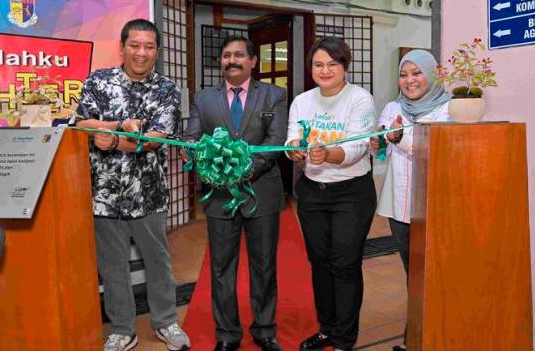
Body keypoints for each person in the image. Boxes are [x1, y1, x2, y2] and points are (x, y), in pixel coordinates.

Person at [76, 18, 191, 351]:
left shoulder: (167, 89)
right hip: (103, 195)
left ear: (157, 50)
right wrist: (117, 125)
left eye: (149, 46)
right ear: (123, 47)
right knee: (112, 267)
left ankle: (166, 323)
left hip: (149, 194)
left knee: (159, 262)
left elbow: (155, 140)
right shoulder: (98, 81)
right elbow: (82, 123)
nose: (142, 53)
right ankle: (122, 329)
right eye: (135, 45)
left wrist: (111, 141)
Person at [185, 36, 287, 351]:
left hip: (262, 192)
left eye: (240, 55)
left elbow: (276, 139)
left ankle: (265, 330)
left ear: (253, 61)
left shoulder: (275, 95)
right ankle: (227, 334)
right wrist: (214, 169)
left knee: (264, 265)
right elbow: (192, 140)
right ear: (221, 61)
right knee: (221, 267)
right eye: (227, 55)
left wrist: (242, 170)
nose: (233, 60)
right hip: (219, 197)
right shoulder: (204, 99)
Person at [286, 37, 377, 351]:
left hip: (351, 193)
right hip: (312, 193)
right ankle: (327, 328)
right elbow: (292, 139)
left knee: (345, 264)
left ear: (344, 66)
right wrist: (295, 151)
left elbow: (358, 145)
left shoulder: (360, 99)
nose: (325, 70)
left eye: (332, 64)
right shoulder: (302, 101)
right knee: (320, 263)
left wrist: (330, 154)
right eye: (318, 64)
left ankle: (344, 339)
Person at [371, 49, 451, 351]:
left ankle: (434, 336)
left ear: (431, 74)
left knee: (433, 274)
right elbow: (380, 150)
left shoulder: (448, 109)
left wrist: (397, 137)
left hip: (431, 205)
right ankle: (415, 337)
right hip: (399, 205)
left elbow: (434, 150)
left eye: (416, 73)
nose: (409, 80)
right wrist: (376, 140)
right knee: (412, 273)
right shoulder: (393, 106)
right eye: (404, 75)